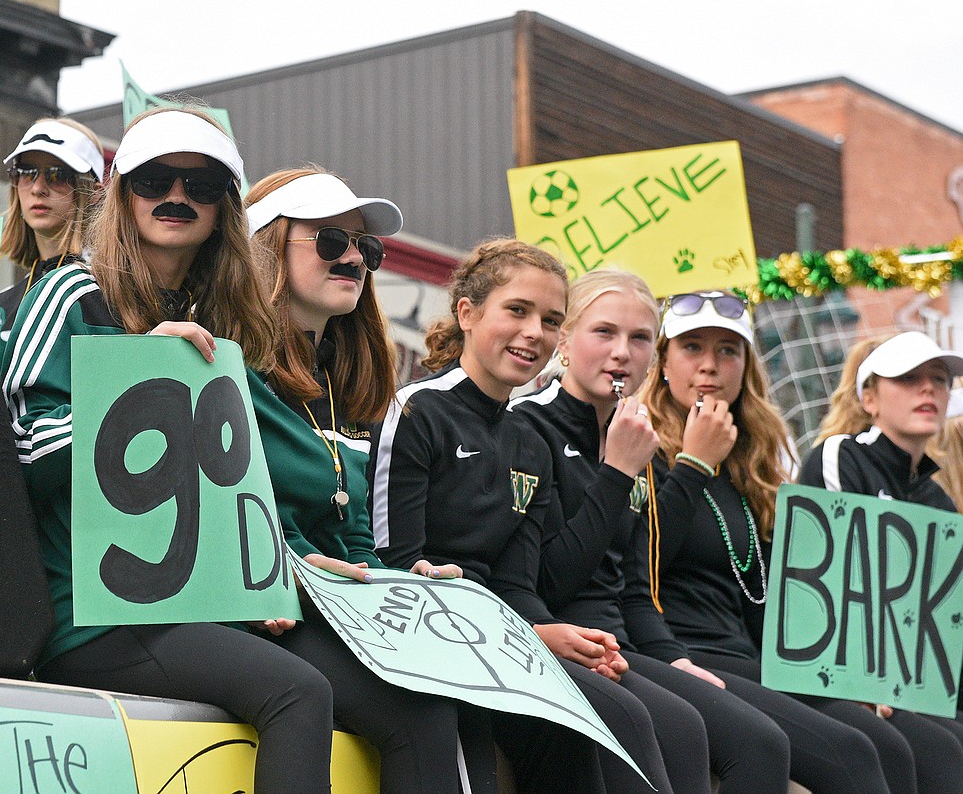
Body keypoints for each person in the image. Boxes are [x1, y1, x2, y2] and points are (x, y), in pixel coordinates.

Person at [0, 107, 335, 794]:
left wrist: (265, 573)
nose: (176, 198)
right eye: (155, 180)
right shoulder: (69, 289)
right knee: (301, 692)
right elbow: (17, 451)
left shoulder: (219, 325)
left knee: (370, 691)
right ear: (122, 194)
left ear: (224, 211)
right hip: (89, 612)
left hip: (184, 604)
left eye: (201, 186)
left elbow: (222, 487)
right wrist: (134, 387)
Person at [370, 238, 693, 794]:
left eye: (549, 319)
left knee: (637, 718)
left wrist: (553, 634)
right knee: (620, 718)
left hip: (505, 640)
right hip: (429, 645)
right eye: (517, 311)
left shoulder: (526, 440)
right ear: (468, 314)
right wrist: (539, 635)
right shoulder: (416, 411)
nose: (534, 333)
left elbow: (520, 580)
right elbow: (395, 567)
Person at [245, 166, 487, 793]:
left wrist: (399, 580)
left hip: (334, 609)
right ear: (266, 246)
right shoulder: (224, 363)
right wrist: (301, 566)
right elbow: (218, 516)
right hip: (261, 610)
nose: (354, 256)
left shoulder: (341, 381)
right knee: (421, 710)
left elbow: (353, 536)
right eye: (331, 240)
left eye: (366, 247)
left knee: (455, 692)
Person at [508, 269, 790, 793]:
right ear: (564, 341)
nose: (622, 353)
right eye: (604, 333)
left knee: (759, 740)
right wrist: (616, 474)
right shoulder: (527, 427)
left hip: (626, 644)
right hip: (561, 640)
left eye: (639, 339)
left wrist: (674, 657)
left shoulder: (634, 437)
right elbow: (548, 581)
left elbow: (637, 587)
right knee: (689, 730)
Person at [626, 290, 905, 794]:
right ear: (663, 361)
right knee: (851, 753)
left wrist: (838, 675)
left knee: (890, 744)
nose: (710, 366)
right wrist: (693, 463)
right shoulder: (637, 441)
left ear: (746, 366)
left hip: (752, 656)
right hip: (681, 651)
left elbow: (769, 599)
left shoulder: (752, 463)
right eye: (692, 347)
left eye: (727, 351)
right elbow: (637, 560)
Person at [799, 330, 963, 783]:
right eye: (908, 378)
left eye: (939, 379)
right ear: (869, 397)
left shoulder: (937, 499)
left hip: (917, 683)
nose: (929, 388)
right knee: (942, 753)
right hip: (844, 678)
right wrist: (861, 684)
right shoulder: (839, 456)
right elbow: (832, 584)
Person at [0, 117, 104, 359]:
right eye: (26, 173)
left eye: (57, 175)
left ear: (93, 192)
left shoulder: (113, 290)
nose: (37, 188)